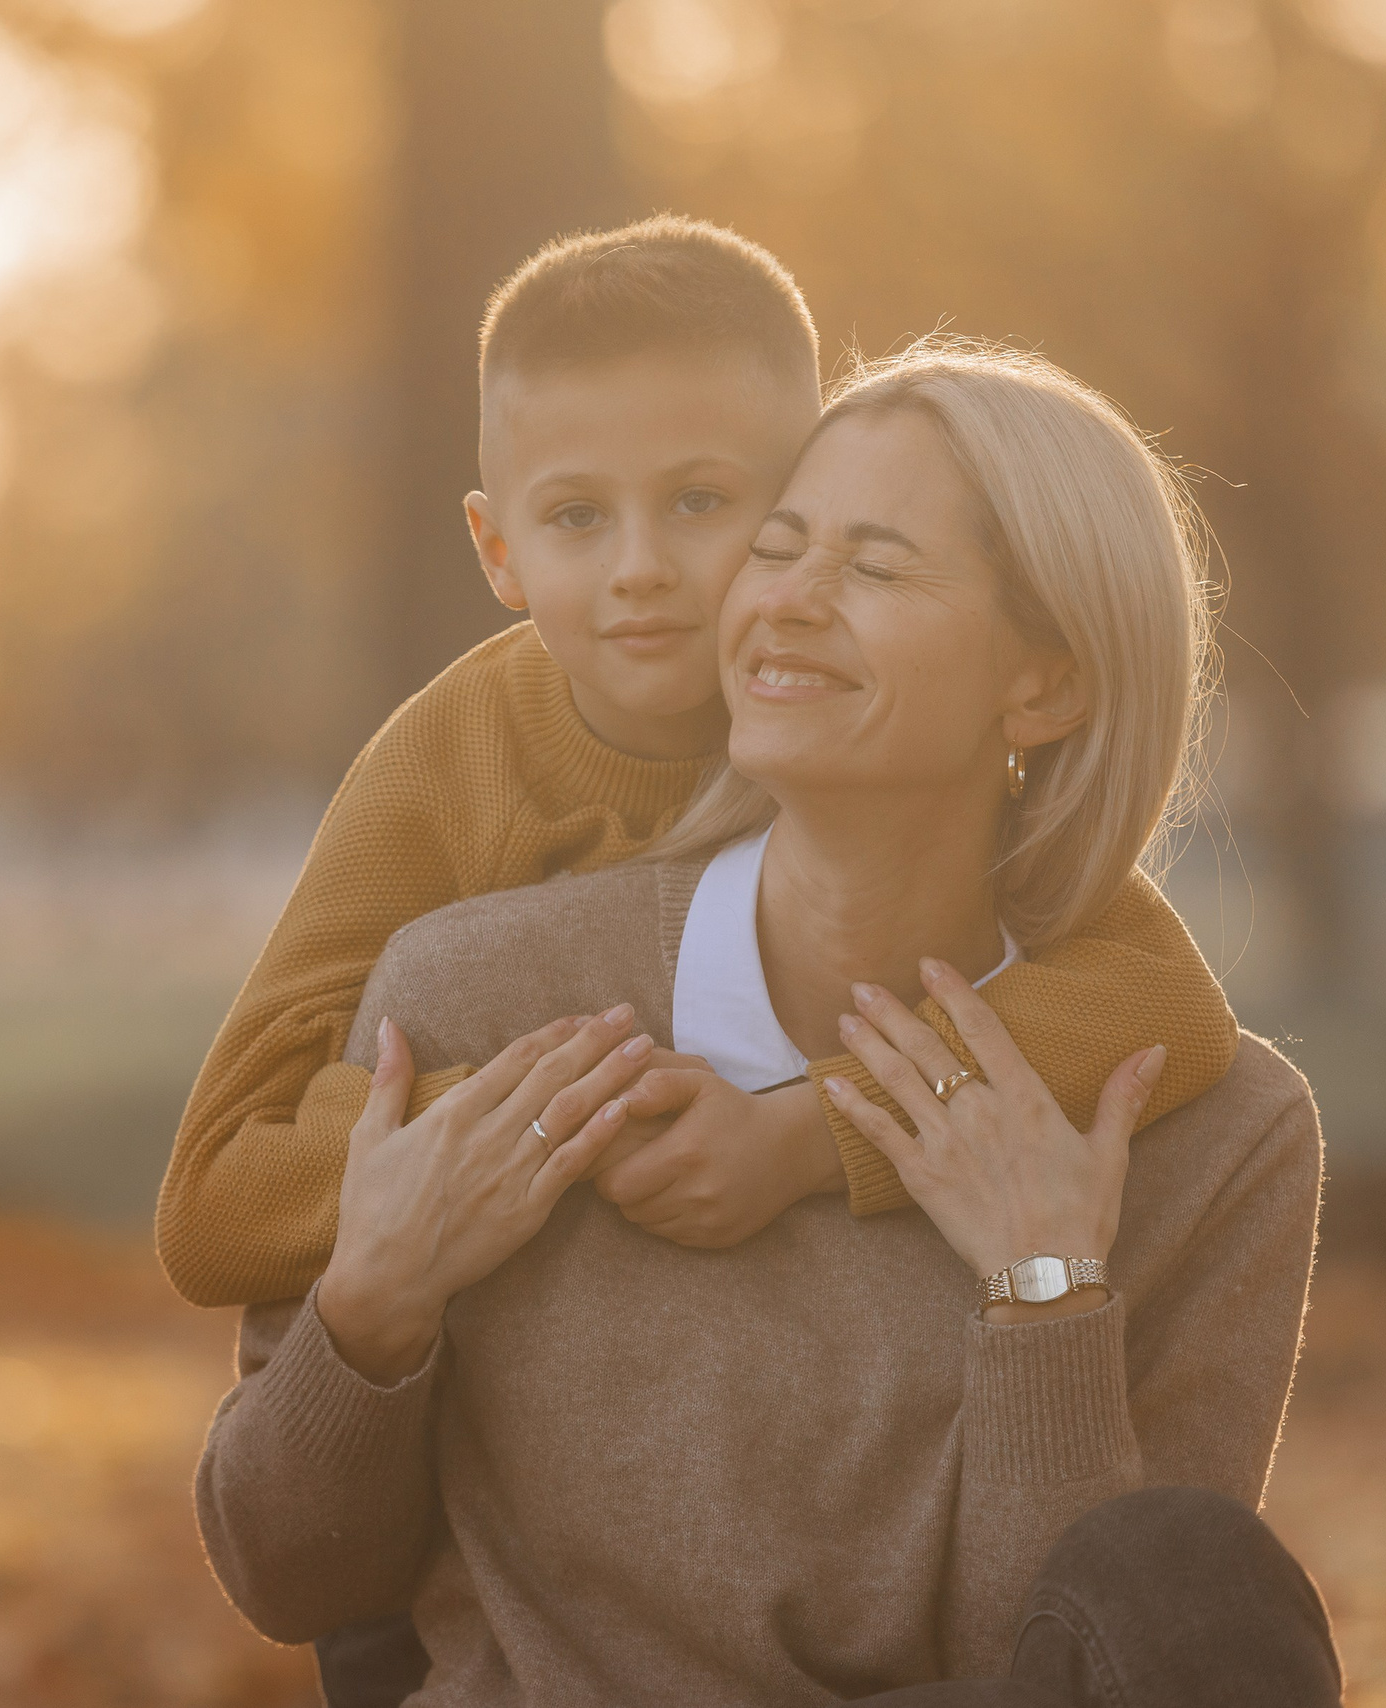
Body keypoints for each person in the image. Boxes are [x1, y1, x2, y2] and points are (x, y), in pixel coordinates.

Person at [193, 343, 1334, 1704]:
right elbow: (289, 1580)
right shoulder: (477, 1000)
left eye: (877, 566)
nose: (786, 603)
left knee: (1197, 1580)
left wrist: (1043, 1295)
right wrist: (372, 1308)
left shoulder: (1219, 1139)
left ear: (1046, 686)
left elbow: (1082, 1663)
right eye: (778, 547)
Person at [154, 217, 1237, 1321]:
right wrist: (558, 1111)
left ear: (803, 493)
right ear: (498, 551)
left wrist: (809, 1129)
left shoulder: (848, 716)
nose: (641, 571)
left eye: (700, 503)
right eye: (577, 516)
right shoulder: (453, 760)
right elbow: (215, 1196)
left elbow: (1164, 1008)